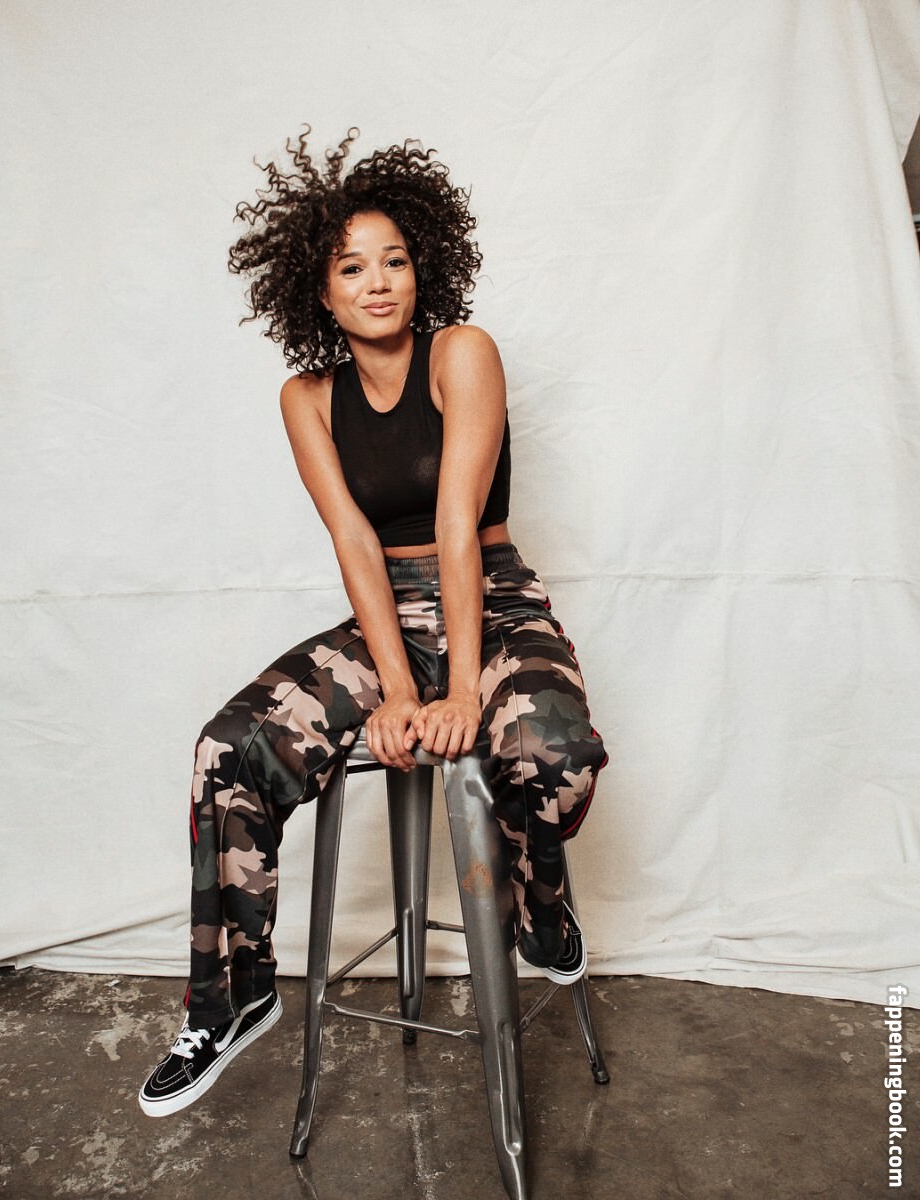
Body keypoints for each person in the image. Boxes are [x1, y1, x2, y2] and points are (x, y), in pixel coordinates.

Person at [138, 129, 608, 1118]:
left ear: (421, 265)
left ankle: (540, 898)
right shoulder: (306, 398)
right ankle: (233, 996)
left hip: (491, 598)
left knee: (553, 753)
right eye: (352, 268)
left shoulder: (461, 353)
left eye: (394, 260)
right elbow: (355, 542)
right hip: (385, 613)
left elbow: (455, 523)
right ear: (318, 289)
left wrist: (458, 693)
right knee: (226, 752)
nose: (378, 283)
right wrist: (396, 688)